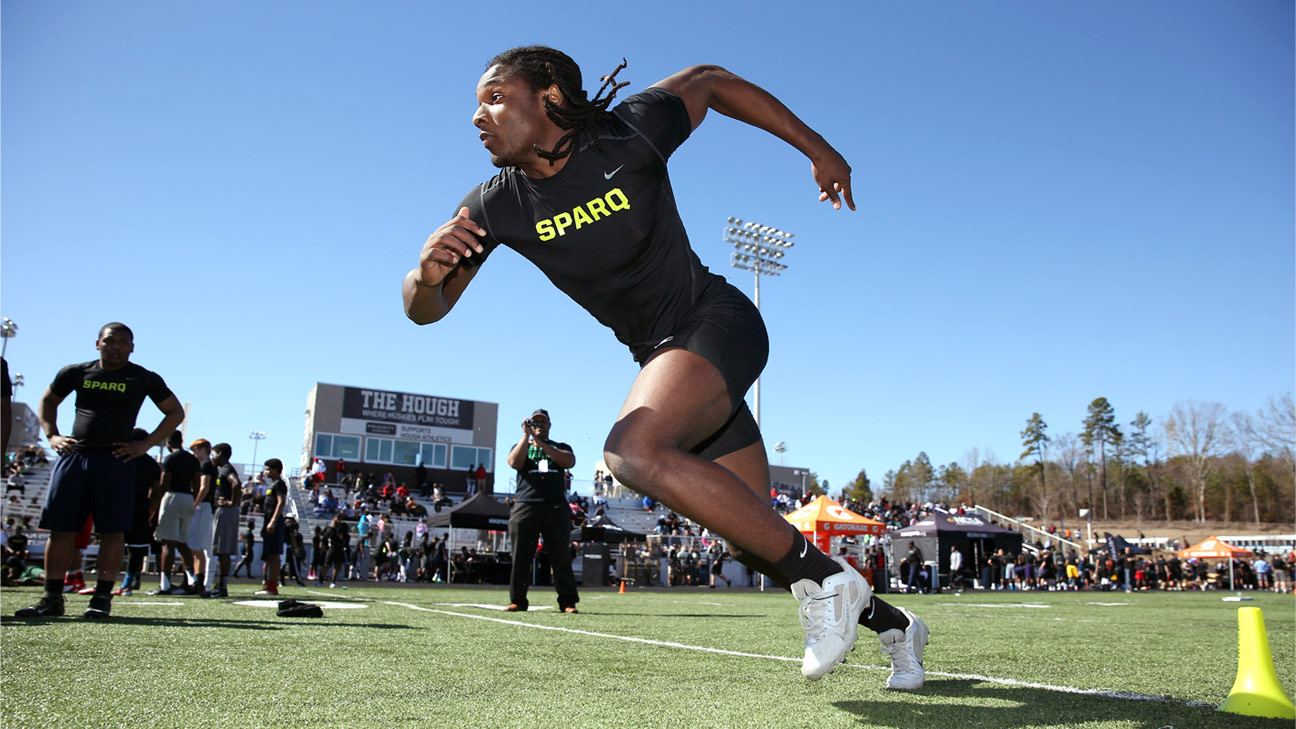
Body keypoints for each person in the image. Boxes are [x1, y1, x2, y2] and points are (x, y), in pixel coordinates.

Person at [401, 46, 926, 687]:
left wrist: (817, 149)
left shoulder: (628, 132)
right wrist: (423, 277)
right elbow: (425, 311)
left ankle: (826, 583)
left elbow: (711, 80)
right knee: (748, 537)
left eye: (494, 98)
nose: (478, 117)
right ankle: (896, 625)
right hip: (667, 359)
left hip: (716, 322)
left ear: (550, 98)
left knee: (632, 450)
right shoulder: (495, 205)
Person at [16, 322, 184, 619]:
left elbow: (175, 412)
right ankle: (51, 597)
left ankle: (102, 598)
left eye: (122, 342)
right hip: (76, 456)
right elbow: (47, 402)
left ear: (132, 347)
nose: (115, 346)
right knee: (62, 529)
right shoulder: (76, 372)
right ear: (98, 344)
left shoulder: (142, 377)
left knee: (112, 532)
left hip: (116, 461)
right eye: (110, 341)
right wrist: (52, 435)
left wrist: (144, 445)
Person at [503, 409, 579, 613]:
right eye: (535, 422)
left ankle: (568, 602)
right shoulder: (521, 445)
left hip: (554, 506)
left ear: (549, 425)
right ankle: (518, 600)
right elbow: (513, 462)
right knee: (521, 556)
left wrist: (542, 443)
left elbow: (568, 461)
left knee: (560, 555)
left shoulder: (560, 447)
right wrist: (526, 436)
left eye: (542, 422)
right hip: (526, 505)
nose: (538, 425)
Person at [150, 430, 200, 595]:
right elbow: (197, 483)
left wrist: (154, 506)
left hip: (172, 496)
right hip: (188, 498)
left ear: (168, 442)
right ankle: (193, 578)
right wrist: (192, 500)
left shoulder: (170, 458)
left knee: (167, 542)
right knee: (182, 542)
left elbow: (164, 483)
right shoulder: (192, 459)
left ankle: (165, 584)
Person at [204, 442, 241, 598]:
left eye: (213, 453)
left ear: (220, 453)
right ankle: (220, 585)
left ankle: (222, 587)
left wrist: (231, 502)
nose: (212, 457)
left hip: (226, 511)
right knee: (220, 550)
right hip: (224, 510)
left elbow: (236, 483)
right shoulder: (223, 470)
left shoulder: (226, 469)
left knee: (223, 550)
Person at [188, 438, 217, 595]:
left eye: (196, 450)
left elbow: (204, 487)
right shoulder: (207, 465)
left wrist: (194, 504)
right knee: (196, 546)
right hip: (205, 506)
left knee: (197, 546)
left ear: (204, 449)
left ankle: (199, 582)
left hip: (203, 506)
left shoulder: (206, 465)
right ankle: (198, 581)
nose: (194, 453)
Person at [256, 459, 289, 596]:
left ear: (276, 470)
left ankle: (272, 586)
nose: (266, 472)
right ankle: (268, 585)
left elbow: (281, 502)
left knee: (274, 554)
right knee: (269, 554)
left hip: (274, 522)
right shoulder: (273, 485)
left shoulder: (279, 484)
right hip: (268, 520)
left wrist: (273, 521)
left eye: (268, 469)